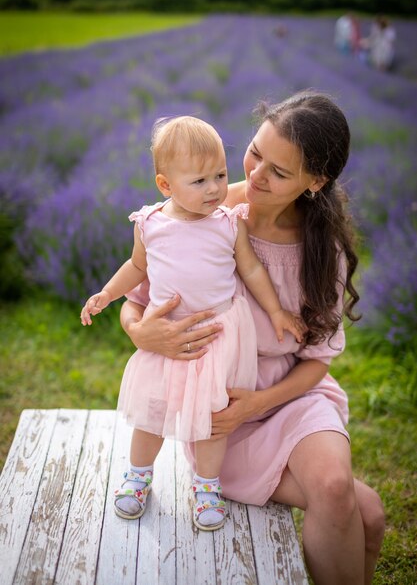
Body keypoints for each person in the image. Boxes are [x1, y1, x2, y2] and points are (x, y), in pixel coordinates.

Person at [120, 92, 385, 584]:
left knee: (337, 490)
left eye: (279, 172)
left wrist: (258, 401)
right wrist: (144, 334)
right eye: (255, 152)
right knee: (362, 511)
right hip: (219, 409)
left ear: (315, 182)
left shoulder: (321, 249)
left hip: (289, 395)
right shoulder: (200, 207)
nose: (256, 175)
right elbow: (135, 299)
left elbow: (317, 361)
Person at [80, 116, 305, 531]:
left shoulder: (227, 222)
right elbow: (136, 268)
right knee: (152, 413)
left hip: (216, 337)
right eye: (199, 181)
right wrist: (107, 295)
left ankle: (206, 486)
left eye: (220, 175)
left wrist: (276, 311)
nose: (216, 188)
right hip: (166, 337)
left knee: (211, 419)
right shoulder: (151, 224)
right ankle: (138, 477)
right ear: (166, 185)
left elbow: (252, 270)